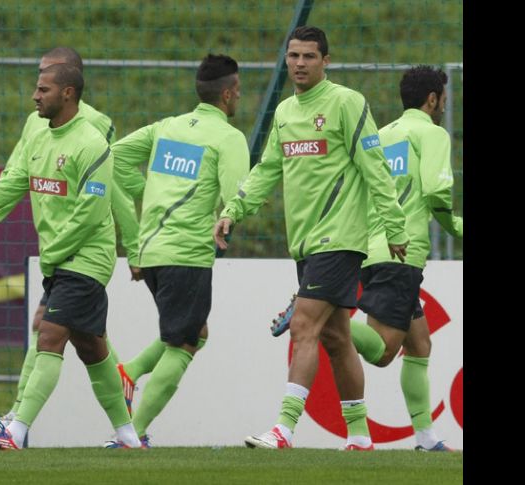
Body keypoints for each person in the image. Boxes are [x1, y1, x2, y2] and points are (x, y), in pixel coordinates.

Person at [214, 26, 408, 451]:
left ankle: (283, 428)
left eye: (308, 57)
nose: (299, 64)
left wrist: (395, 226)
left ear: (326, 61)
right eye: (293, 56)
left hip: (340, 238)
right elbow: (267, 170)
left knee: (302, 325)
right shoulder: (284, 112)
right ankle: (360, 435)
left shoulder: (346, 103)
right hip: (303, 242)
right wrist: (233, 211)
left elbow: (376, 168)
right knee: (337, 338)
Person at [0, 63, 142, 450]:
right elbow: (8, 188)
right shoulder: (39, 139)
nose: (35, 95)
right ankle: (129, 436)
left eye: (43, 89)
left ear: (67, 93)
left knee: (48, 334)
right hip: (62, 261)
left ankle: (15, 431)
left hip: (85, 259)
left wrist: (55, 254)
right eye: (36, 87)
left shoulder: (91, 143)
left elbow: (92, 214)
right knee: (93, 349)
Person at [111, 54, 250, 446]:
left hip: (152, 251)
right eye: (238, 91)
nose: (240, 97)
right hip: (186, 253)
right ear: (226, 94)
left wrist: (150, 193)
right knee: (186, 342)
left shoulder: (166, 127)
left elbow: (116, 158)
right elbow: (236, 193)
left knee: (193, 331)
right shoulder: (227, 138)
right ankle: (132, 434)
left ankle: (131, 370)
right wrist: (232, 211)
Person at [349, 65, 462, 452]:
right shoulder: (431, 134)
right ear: (432, 99)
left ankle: (426, 438)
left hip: (373, 249)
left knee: (419, 345)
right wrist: (458, 228)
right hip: (402, 253)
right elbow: (435, 193)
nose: (444, 106)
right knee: (382, 351)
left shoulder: (380, 136)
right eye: (444, 99)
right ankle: (325, 318)